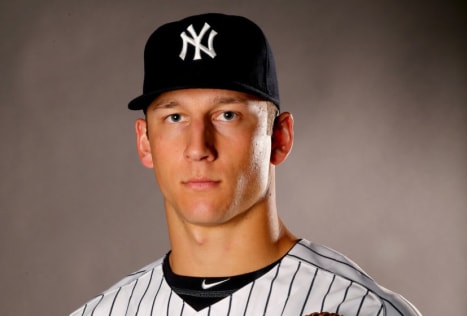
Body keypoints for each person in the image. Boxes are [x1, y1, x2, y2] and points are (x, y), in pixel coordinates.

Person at [70, 13, 421, 316]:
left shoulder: (361, 308)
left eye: (227, 115)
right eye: (175, 117)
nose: (198, 148)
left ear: (279, 138)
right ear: (145, 142)